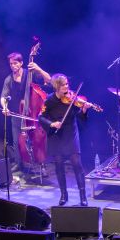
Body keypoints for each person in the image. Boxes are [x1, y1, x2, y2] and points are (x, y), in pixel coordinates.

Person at [38, 74, 90, 206]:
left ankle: (83, 196)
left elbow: (79, 116)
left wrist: (83, 110)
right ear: (57, 86)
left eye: (67, 84)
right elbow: (41, 117)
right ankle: (63, 195)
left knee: (77, 163)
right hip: (56, 134)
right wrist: (51, 124)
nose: (67, 87)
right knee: (59, 164)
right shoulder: (49, 100)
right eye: (64, 85)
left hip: (70, 132)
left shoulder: (72, 99)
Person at [0, 52, 51, 175]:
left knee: (37, 139)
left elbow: (48, 80)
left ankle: (41, 165)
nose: (13, 66)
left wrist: (38, 68)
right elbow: (3, 97)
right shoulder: (9, 79)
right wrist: (5, 107)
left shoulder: (30, 74)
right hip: (17, 114)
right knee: (17, 141)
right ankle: (19, 163)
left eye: (15, 63)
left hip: (33, 114)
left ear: (21, 63)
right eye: (11, 64)